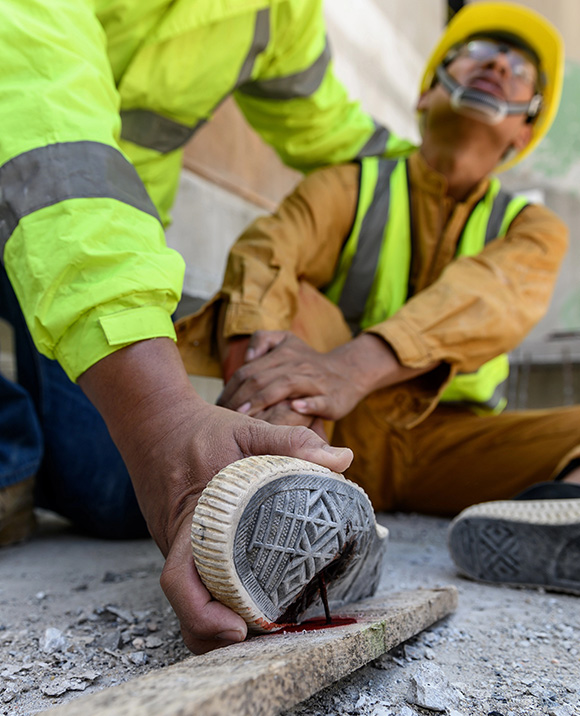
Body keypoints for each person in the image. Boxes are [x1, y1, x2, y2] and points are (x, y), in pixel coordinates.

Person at [0, 0, 403, 655]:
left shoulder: (282, 13)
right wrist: (160, 418)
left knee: (112, 494)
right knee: (148, 445)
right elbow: (46, 131)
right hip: (33, 194)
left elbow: (336, 134)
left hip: (95, 244)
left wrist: (446, 174)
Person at [177, 2, 580, 594]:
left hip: (455, 446)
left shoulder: (532, 228)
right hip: (331, 432)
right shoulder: (350, 185)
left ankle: (563, 514)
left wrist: (352, 366)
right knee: (285, 302)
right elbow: (266, 256)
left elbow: (490, 296)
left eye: (519, 69)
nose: (497, 64)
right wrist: (260, 374)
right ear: (426, 93)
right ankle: (282, 506)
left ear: (524, 131)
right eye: (475, 53)